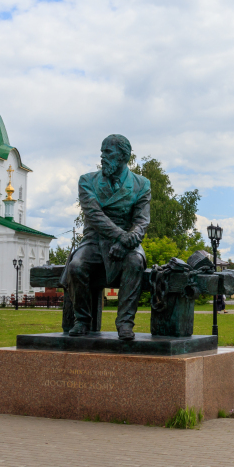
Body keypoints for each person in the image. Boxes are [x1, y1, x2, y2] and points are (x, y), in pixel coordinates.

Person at [64, 134, 151, 340]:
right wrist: (122, 237)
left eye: (108, 152)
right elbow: (94, 215)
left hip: (128, 244)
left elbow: (141, 221)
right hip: (94, 241)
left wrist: (128, 241)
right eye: (102, 152)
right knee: (76, 266)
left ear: (122, 156)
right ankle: (82, 320)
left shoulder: (141, 184)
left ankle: (125, 323)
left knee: (135, 261)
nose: (102, 157)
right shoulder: (87, 181)